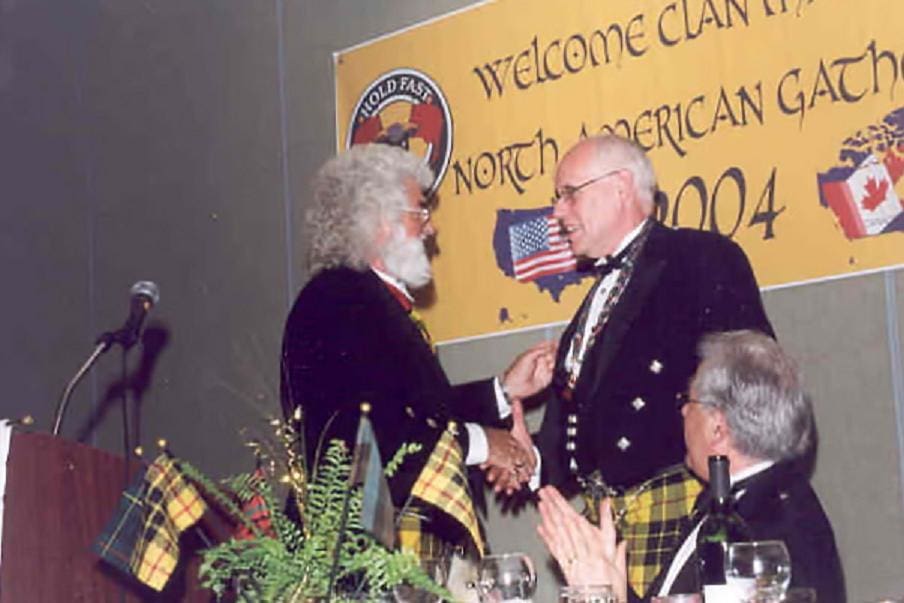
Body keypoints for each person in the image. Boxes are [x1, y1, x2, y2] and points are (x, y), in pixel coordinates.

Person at [280, 143, 554, 555]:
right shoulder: (337, 299)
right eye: (420, 213)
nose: (431, 229)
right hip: (361, 563)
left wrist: (502, 391)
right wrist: (483, 443)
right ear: (378, 222)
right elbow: (370, 429)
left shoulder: (367, 300)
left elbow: (419, 411)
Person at [532, 134, 774, 494]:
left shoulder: (701, 258)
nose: (558, 212)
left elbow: (751, 396)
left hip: (684, 501)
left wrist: (732, 508)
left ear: (621, 187)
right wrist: (530, 461)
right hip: (608, 516)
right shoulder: (596, 300)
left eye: (570, 193)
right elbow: (581, 432)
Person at [537, 330, 845, 602]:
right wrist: (615, 589)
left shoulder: (765, 527)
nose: (683, 411)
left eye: (689, 400)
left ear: (718, 429)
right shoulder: (736, 505)